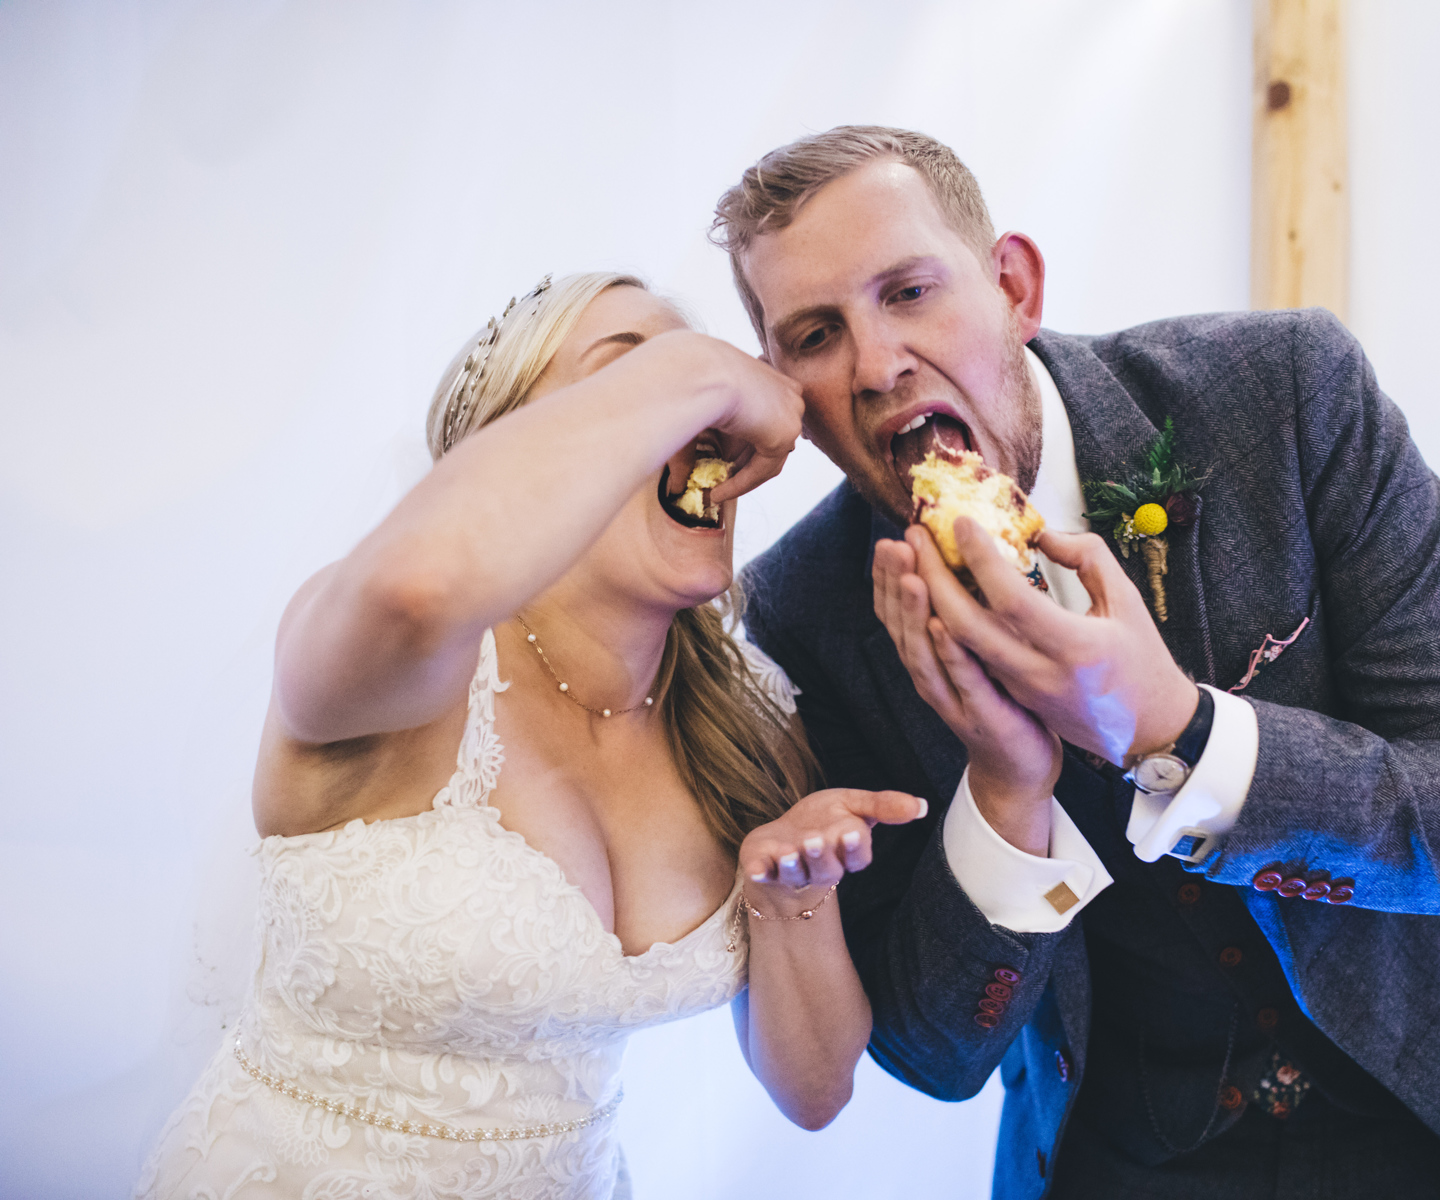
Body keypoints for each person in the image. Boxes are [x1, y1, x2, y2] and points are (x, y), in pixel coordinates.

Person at [716, 127, 1440, 1199]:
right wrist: (1003, 789)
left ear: (1013, 288)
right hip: (1133, 1155)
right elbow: (934, 1056)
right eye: (816, 333)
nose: (879, 364)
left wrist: (1175, 725)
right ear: (787, 393)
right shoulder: (805, 612)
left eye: (908, 291)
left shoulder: (1285, 395)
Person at [134, 271, 926, 1199]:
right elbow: (417, 582)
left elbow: (816, 1090)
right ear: (513, 450)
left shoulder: (749, 710)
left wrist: (794, 895)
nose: (712, 414)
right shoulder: (394, 665)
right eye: (631, 376)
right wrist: (692, 377)